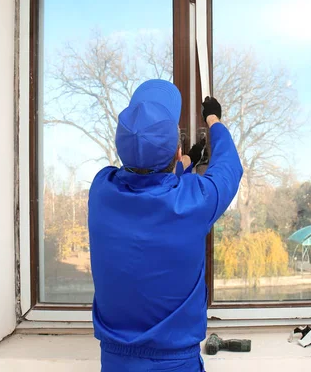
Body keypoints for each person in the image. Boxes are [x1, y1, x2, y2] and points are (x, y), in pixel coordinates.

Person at [88, 79, 243, 372]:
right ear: (175, 149)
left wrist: (185, 160)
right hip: (176, 365)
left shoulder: (100, 191)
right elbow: (229, 168)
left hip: (115, 363)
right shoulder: (195, 200)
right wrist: (214, 121)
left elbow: (146, 181)